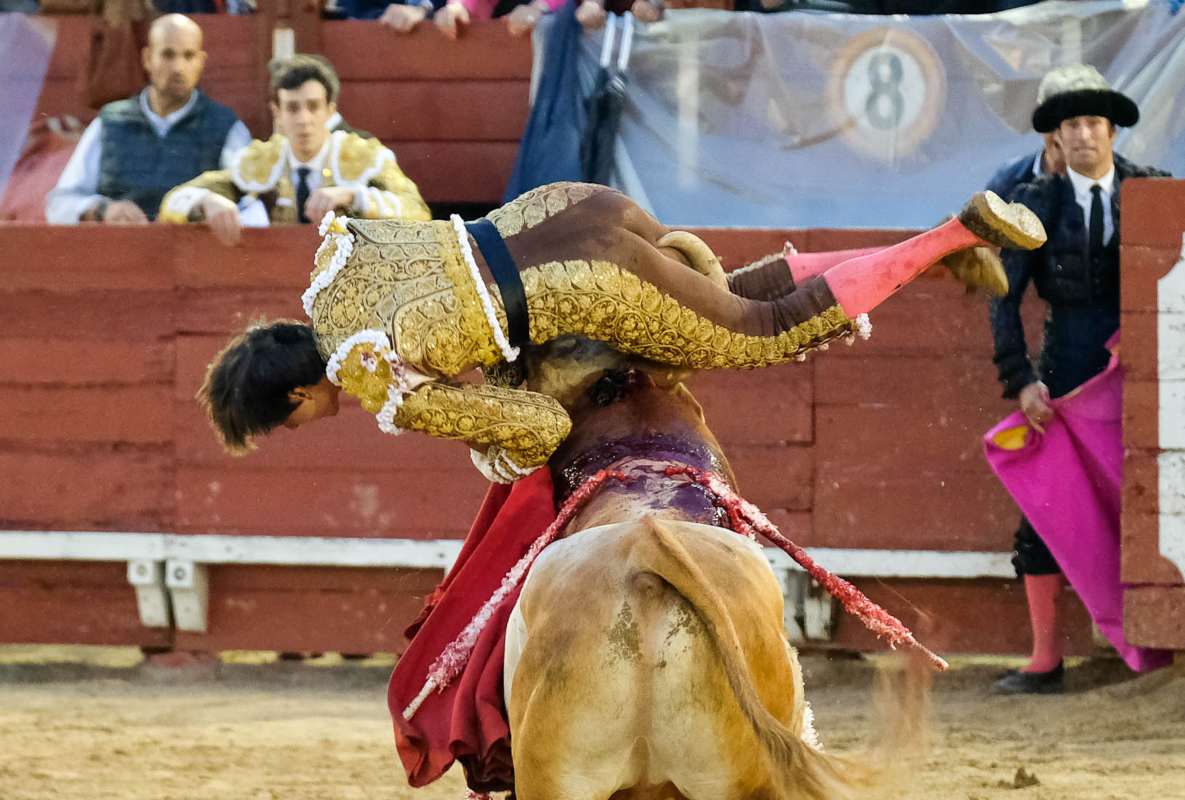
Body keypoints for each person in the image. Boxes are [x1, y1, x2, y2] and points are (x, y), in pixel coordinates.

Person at [198, 181, 1044, 481]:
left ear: (302, 392)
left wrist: (478, 438)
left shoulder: (375, 378)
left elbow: (541, 425)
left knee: (764, 330)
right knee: (728, 302)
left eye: (288, 421)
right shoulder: (335, 268)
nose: (304, 426)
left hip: (588, 282)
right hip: (569, 205)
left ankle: (950, 235)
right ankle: (921, 256)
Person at [987, 64, 1170, 695]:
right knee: (1049, 508)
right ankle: (1045, 659)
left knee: (1158, 499)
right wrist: (1022, 381)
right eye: (1071, 124)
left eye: (1094, 121)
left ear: (1113, 131)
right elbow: (1001, 299)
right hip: (1065, 370)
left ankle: (1161, 642)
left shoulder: (1155, 192)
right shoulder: (1034, 205)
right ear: (1056, 139)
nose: (1084, 134)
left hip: (1144, 371)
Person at [158, 54, 429, 246]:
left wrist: (351, 195)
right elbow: (173, 201)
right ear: (277, 112)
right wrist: (207, 201)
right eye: (292, 108)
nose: (303, 119)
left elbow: (416, 211)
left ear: (330, 111)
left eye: (313, 107)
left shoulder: (363, 156)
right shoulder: (262, 160)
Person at [45, 14, 250, 225]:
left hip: (196, 255)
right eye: (168, 55)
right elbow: (59, 204)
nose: (178, 68)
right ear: (147, 59)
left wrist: (212, 205)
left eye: (188, 56)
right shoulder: (109, 123)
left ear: (201, 62)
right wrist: (103, 210)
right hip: (120, 251)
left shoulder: (226, 127)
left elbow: (251, 205)